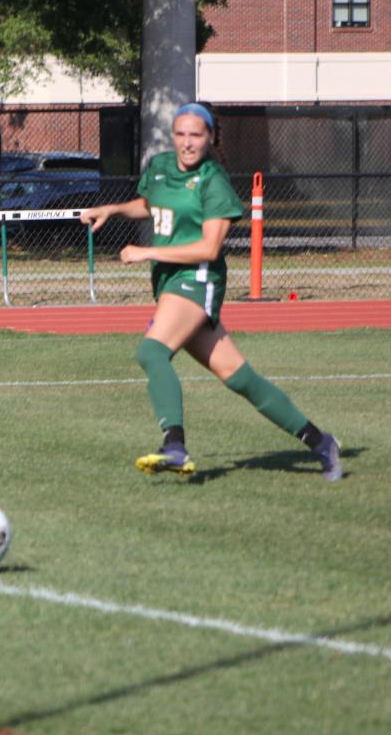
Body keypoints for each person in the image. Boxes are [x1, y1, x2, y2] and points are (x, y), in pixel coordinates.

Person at [80, 102, 342, 481]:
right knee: (240, 378)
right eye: (181, 134)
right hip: (170, 282)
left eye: (196, 135)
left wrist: (147, 251)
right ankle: (321, 442)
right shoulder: (160, 168)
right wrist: (113, 209)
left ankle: (174, 446)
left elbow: (209, 248)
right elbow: (153, 205)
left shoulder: (213, 181)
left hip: (198, 280)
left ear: (210, 137)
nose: (187, 143)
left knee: (152, 352)